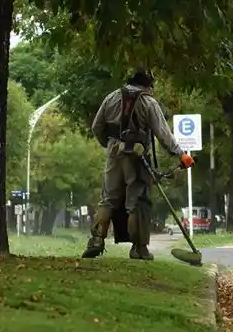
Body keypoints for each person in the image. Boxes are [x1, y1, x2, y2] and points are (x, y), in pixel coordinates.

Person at [83, 68, 194, 260]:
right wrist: (180, 154)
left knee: (108, 198)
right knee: (138, 201)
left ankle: (96, 241)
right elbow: (163, 133)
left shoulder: (111, 97)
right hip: (137, 157)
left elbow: (96, 126)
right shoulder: (148, 102)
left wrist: (109, 144)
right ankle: (138, 248)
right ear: (147, 85)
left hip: (113, 154)